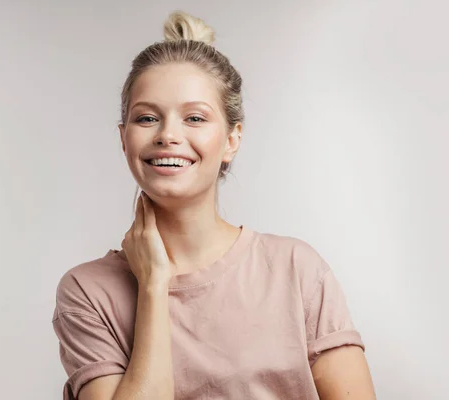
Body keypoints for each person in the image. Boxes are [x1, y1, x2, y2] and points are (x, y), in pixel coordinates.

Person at [52, 10, 376, 400]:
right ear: (124, 139)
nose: (168, 134)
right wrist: (154, 286)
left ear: (231, 139)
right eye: (147, 117)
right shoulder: (88, 292)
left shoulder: (297, 271)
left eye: (194, 118)